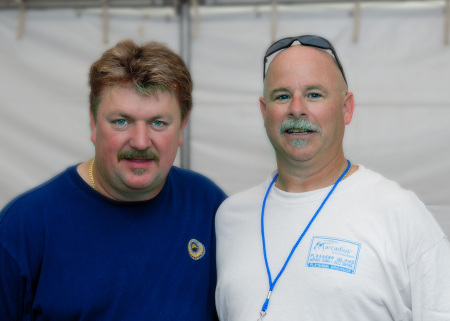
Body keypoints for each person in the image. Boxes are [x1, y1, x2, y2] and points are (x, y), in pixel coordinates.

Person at [215, 35, 450, 321]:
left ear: (346, 108)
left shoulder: (400, 214)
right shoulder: (229, 218)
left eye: (314, 94)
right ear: (265, 112)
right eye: (282, 96)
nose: (297, 109)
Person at [0, 39, 226, 321]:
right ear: (93, 124)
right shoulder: (23, 227)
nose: (141, 142)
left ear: (182, 127)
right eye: (122, 121)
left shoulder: (208, 207)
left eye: (159, 122)